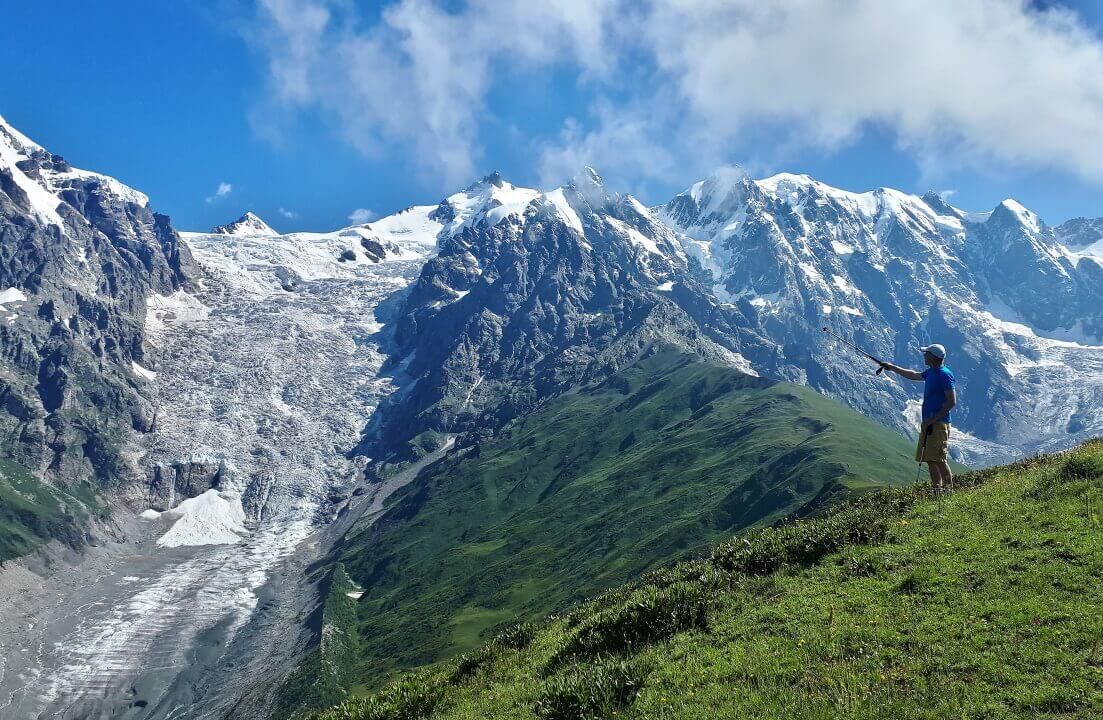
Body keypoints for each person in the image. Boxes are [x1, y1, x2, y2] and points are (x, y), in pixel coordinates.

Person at [879, 344, 957, 491]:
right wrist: (891, 367)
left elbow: (952, 401)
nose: (924, 356)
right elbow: (913, 375)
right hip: (929, 423)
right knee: (930, 459)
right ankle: (938, 491)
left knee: (939, 459)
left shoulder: (944, 374)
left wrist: (932, 420)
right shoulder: (931, 372)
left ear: (934, 357)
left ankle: (948, 490)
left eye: (926, 353)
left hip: (938, 424)